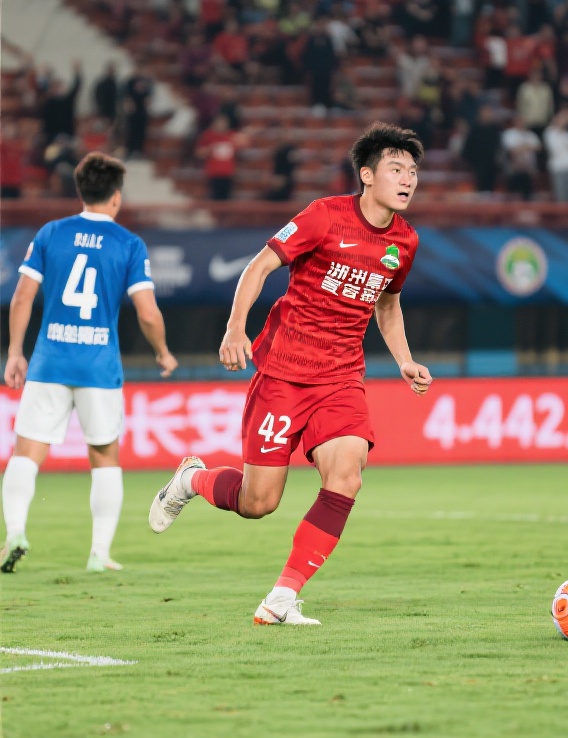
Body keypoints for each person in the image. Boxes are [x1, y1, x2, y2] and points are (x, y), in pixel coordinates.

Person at [148, 123, 433, 626]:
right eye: (396, 169)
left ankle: (281, 597)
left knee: (347, 477)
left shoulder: (404, 242)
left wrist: (404, 359)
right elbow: (259, 267)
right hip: (284, 373)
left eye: (412, 171)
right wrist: (235, 328)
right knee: (258, 502)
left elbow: (387, 305)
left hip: (342, 377)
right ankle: (191, 480)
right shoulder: (325, 215)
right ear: (367, 175)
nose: (407, 178)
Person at [1, 153, 177, 574]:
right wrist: (162, 351)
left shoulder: (51, 233)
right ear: (116, 196)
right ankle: (99, 553)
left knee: (27, 453)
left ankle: (16, 532)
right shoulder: (128, 243)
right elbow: (147, 312)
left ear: (81, 192)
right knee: (104, 457)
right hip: (98, 367)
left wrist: (15, 351)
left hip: (49, 361)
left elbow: (22, 297)